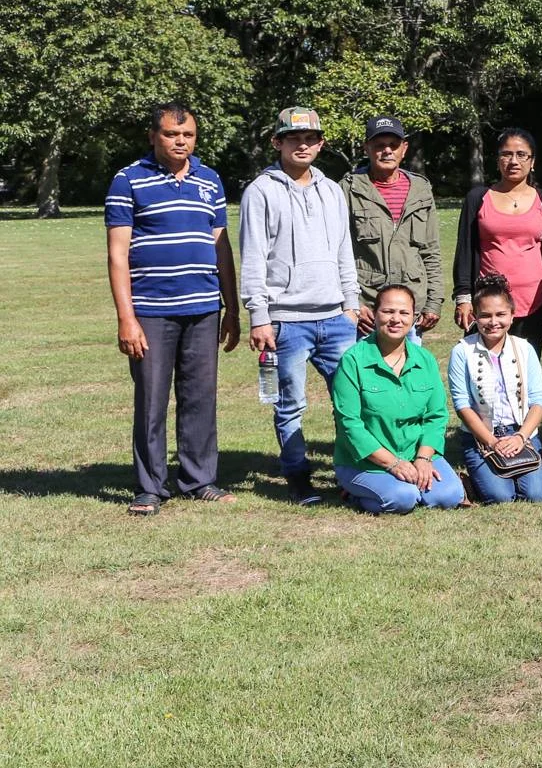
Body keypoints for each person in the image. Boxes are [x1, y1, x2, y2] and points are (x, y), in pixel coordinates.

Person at [106, 103, 241, 515]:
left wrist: (231, 309)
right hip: (151, 311)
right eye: (170, 134)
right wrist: (127, 318)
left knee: (200, 396)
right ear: (153, 136)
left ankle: (199, 479)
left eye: (188, 135)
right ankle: (150, 487)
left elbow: (222, 248)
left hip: (203, 309)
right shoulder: (128, 179)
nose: (180, 142)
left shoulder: (210, 179)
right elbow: (117, 255)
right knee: (151, 398)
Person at [240, 106, 362, 506]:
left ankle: (352, 473)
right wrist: (259, 316)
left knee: (352, 401)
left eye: (310, 138)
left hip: (336, 318)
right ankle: (297, 476)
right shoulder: (261, 191)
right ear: (278, 142)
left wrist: (351, 304)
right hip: (286, 321)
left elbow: (345, 250)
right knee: (290, 405)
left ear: (321, 143)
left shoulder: (331, 190)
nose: (303, 145)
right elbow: (254, 257)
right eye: (293, 139)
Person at [331, 283, 465, 514]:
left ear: (414, 318)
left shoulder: (426, 360)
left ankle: (405, 484)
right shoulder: (353, 361)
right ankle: (354, 491)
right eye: (388, 311)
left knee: (449, 496)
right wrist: (392, 463)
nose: (396, 319)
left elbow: (436, 416)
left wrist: (423, 458)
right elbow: (349, 424)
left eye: (404, 313)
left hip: (414, 453)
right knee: (403, 498)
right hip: (365, 462)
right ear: (374, 314)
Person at [453, 128, 542, 354]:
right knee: (482, 372)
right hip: (487, 305)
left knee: (522, 374)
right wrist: (463, 298)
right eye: (506, 154)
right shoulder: (478, 198)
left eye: (521, 154)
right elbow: (464, 251)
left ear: (532, 161)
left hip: (534, 304)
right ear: (497, 160)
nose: (513, 161)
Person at [447, 274, 542, 504]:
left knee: (535, 495)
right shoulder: (462, 351)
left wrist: (521, 437)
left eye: (501, 314)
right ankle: (470, 480)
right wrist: (492, 442)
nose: (493, 322)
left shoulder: (524, 349)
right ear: (474, 317)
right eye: (485, 315)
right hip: (482, 435)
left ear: (512, 316)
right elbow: (462, 405)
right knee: (500, 497)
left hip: (521, 431)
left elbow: (538, 400)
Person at [343, 115, 443, 336]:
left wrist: (434, 302)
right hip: (368, 309)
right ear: (366, 148)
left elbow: (431, 251)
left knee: (409, 370)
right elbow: (337, 254)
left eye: (393, 145)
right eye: (379, 145)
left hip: (411, 309)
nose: (387, 151)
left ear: (404, 149)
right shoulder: (348, 190)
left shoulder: (421, 189)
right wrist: (353, 303)